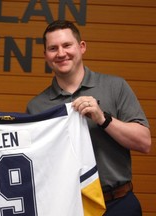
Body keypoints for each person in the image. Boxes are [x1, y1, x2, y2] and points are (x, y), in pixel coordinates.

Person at [26, 20, 151, 215]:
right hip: (67, 207)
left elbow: (144, 142)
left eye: (67, 45)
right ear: (45, 56)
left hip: (118, 204)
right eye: (53, 48)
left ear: (81, 47)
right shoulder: (36, 107)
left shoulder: (115, 86)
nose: (61, 53)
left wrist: (104, 119)